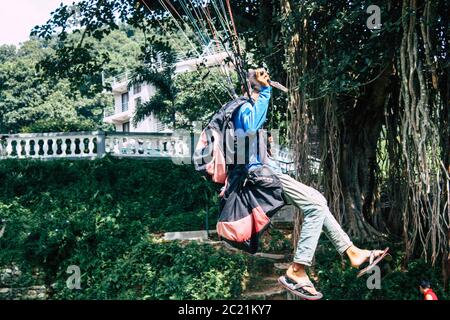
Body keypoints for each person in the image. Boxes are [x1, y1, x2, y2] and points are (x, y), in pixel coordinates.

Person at [232, 67, 390, 300]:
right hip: (259, 176)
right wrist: (265, 91)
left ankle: (353, 252)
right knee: (315, 203)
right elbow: (250, 127)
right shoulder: (243, 107)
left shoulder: (248, 109)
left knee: (318, 201)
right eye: (259, 87)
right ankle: (296, 270)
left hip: (266, 175)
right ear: (251, 89)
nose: (264, 90)